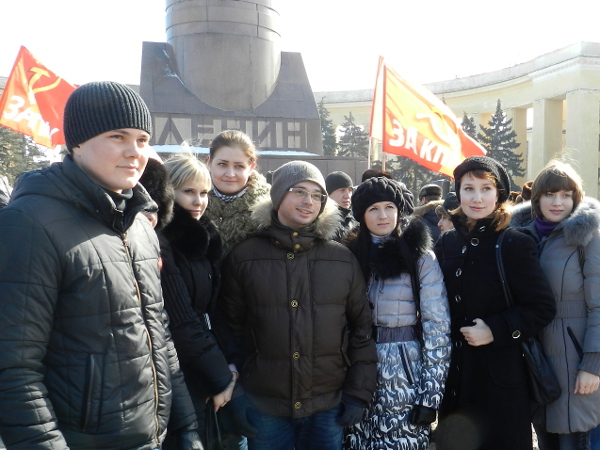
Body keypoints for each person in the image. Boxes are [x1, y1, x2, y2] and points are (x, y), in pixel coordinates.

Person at [0, 81, 202, 449]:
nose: (135, 152)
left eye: (142, 139)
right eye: (117, 136)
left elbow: (158, 336)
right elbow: (13, 367)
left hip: (152, 437)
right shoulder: (30, 223)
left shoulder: (140, 225)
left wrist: (186, 427)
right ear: (77, 142)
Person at [219, 161, 378, 450]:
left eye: (317, 195)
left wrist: (358, 393)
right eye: (299, 191)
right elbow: (228, 330)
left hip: (327, 404)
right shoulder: (244, 257)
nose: (309, 201)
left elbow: (362, 330)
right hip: (264, 405)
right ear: (279, 194)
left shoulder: (341, 259)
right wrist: (238, 395)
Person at [434, 156, 556, 450]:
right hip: (455, 378)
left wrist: (496, 329)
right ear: (458, 192)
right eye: (469, 189)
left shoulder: (515, 242)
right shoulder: (447, 243)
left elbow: (542, 307)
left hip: (500, 382)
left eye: (485, 189)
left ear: (498, 194)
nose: (477, 198)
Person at [343, 177, 451, 450]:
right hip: (355, 369)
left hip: (406, 372)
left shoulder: (420, 257)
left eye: (389, 207)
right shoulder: (347, 257)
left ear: (399, 210)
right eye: (373, 209)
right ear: (361, 215)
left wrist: (429, 397)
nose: (383, 216)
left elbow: (437, 328)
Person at [158, 154, 255, 449]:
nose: (198, 201)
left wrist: (232, 365)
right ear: (168, 192)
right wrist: (221, 378)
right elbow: (182, 320)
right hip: (180, 372)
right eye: (188, 191)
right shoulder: (163, 241)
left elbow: (213, 311)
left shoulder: (205, 239)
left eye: (204, 192)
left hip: (208, 364)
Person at [511, 161, 600, 450]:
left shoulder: (588, 236)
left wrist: (593, 364)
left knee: (573, 440)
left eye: (565, 195)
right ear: (537, 198)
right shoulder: (521, 236)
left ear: (576, 197)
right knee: (546, 439)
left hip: (575, 360)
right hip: (535, 360)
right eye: (549, 194)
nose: (557, 202)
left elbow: (598, 306)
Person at [204, 130, 270, 254]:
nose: (230, 174)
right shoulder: (187, 203)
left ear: (251, 167)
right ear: (209, 163)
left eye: (239, 166)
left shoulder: (270, 211)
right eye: (222, 164)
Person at [325, 170, 359, 241]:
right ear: (328, 194)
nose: (347, 196)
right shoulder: (322, 224)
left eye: (350, 190)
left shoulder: (355, 221)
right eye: (342, 190)